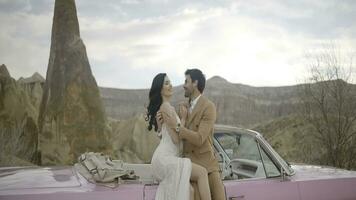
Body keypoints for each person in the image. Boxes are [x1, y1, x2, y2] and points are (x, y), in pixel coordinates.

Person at [159, 69, 226, 200]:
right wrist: (160, 125)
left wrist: (178, 127)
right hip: (188, 167)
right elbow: (174, 137)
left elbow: (200, 138)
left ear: (195, 83)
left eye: (186, 81)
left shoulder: (208, 107)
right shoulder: (182, 107)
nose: (183, 85)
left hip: (208, 168)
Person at [147, 73, 211, 200]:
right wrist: (183, 118)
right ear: (160, 89)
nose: (170, 85)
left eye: (170, 82)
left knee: (189, 191)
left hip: (165, 158)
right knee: (202, 173)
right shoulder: (166, 107)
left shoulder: (167, 108)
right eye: (166, 83)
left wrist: (163, 127)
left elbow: (169, 135)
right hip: (164, 160)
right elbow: (176, 139)